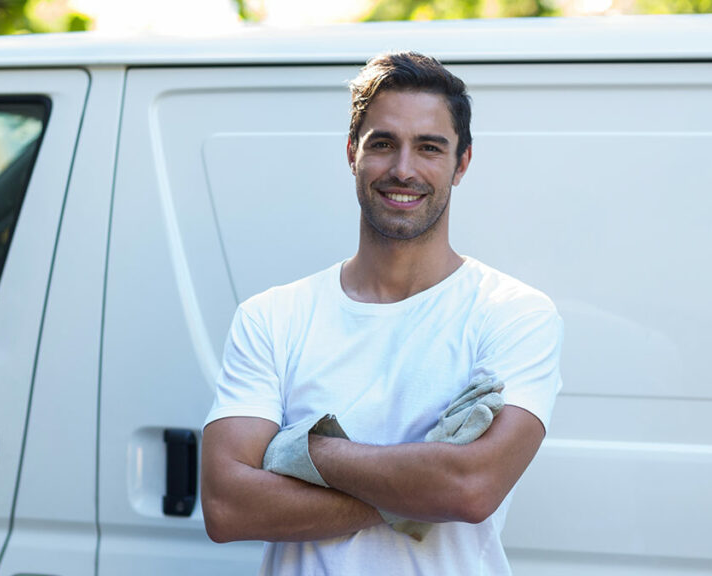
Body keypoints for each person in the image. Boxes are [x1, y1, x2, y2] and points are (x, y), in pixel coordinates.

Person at [200, 51, 563, 575]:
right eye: (383, 144)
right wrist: (421, 486)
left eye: (429, 148)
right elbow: (226, 507)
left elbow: (470, 488)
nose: (403, 169)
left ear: (461, 163)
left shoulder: (512, 314)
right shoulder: (272, 316)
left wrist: (302, 452)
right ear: (352, 152)